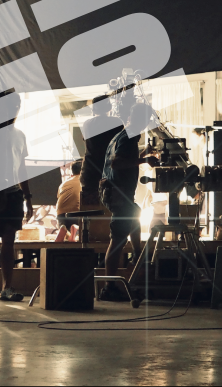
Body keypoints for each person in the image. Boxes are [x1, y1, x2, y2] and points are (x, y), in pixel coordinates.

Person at [0, 97, 33, 302]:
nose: (14, 110)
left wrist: (27, 197)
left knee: (9, 241)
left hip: (14, 193)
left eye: (17, 106)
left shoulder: (20, 135)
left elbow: (22, 168)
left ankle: (6, 287)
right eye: (11, 106)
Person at [99, 102, 155, 302]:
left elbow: (121, 159)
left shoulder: (121, 135)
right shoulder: (129, 137)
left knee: (136, 213)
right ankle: (109, 287)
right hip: (119, 193)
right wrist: (143, 161)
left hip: (116, 192)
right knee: (118, 240)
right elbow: (117, 163)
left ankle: (137, 252)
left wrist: (143, 154)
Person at [80, 96, 124, 204]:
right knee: (111, 207)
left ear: (94, 110)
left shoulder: (86, 124)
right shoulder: (117, 122)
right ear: (109, 107)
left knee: (90, 208)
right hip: (109, 172)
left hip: (89, 172)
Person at [56, 160, 82, 229]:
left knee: (65, 230)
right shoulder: (83, 181)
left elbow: (58, 197)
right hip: (76, 214)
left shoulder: (63, 184)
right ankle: (75, 229)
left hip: (60, 214)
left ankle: (65, 231)